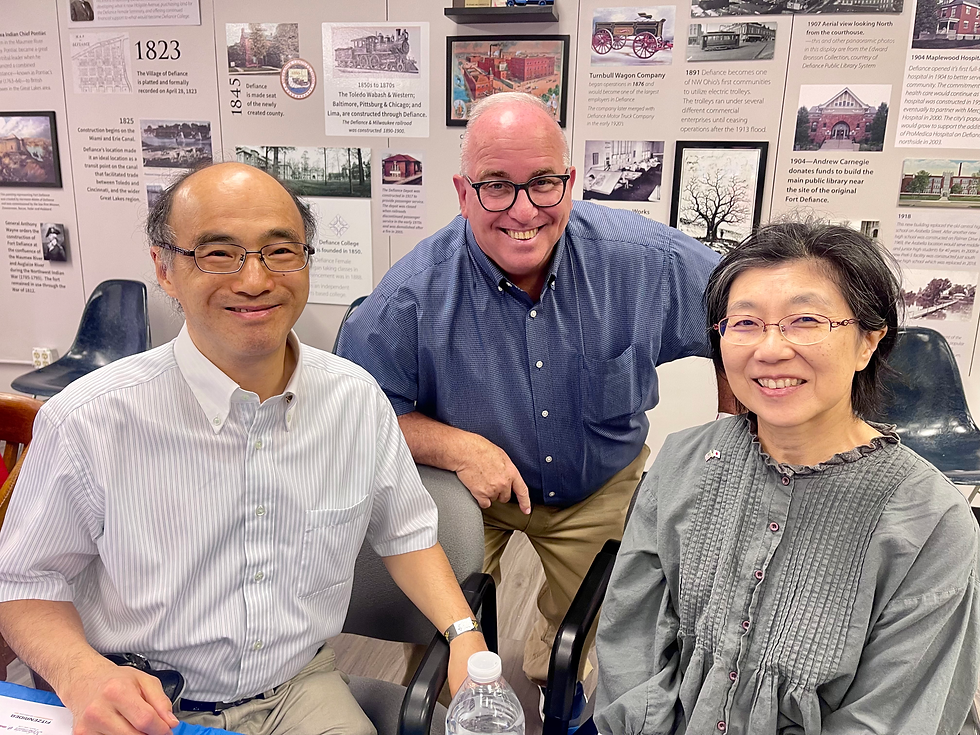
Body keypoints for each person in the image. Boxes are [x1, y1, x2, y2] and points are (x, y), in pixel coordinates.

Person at [0, 162, 487, 735]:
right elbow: (24, 582)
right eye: (217, 253)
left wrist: (464, 635)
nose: (254, 280)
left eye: (280, 251)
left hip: (296, 686)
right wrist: (80, 674)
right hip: (139, 697)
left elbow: (405, 533)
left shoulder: (356, 402)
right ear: (164, 267)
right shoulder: (88, 419)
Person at [337, 92, 730, 709]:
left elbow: (740, 318)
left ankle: (555, 672)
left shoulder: (644, 261)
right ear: (463, 193)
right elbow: (356, 412)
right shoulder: (409, 296)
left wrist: (730, 441)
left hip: (597, 482)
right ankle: (455, 709)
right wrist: (454, 445)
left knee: (593, 616)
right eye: (496, 186)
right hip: (468, 493)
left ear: (569, 183)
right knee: (439, 630)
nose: (523, 210)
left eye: (543, 183)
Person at [594, 222, 980, 734]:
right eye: (745, 323)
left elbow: (892, 715)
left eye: (805, 320)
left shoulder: (933, 522)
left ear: (868, 341)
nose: (770, 350)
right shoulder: (682, 459)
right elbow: (632, 639)